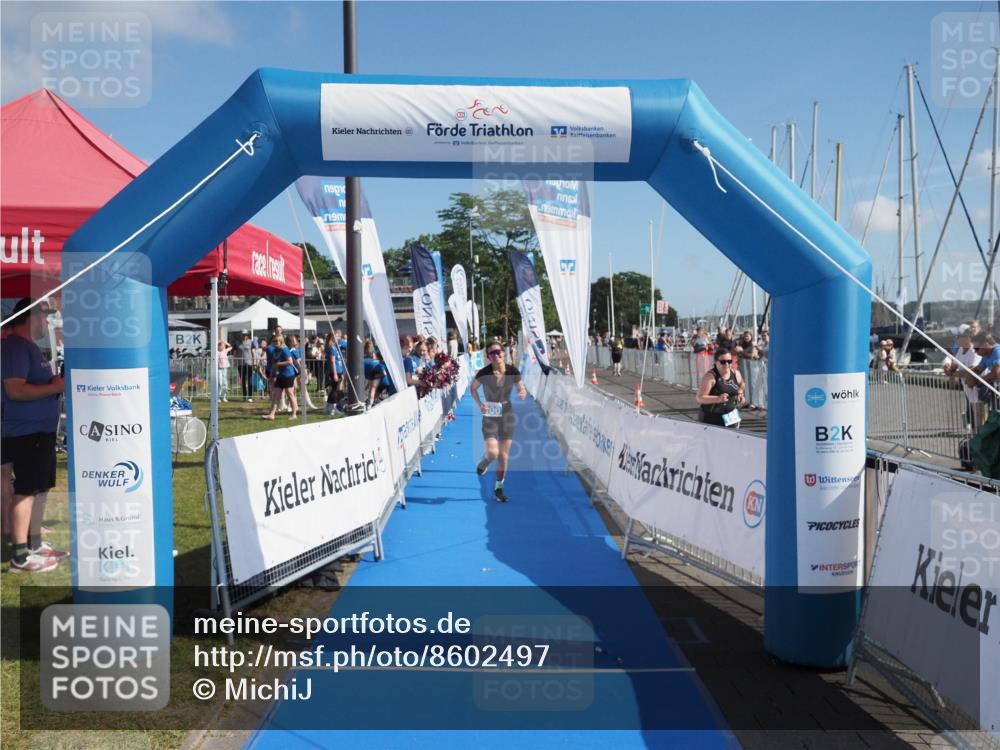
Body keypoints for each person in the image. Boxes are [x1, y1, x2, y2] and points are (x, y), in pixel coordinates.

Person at [1, 298, 67, 572]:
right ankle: (20, 557)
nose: (47, 322)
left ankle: (35, 543)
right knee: (27, 490)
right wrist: (56, 387)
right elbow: (15, 390)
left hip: (38, 431)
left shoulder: (27, 347)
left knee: (39, 488)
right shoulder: (15, 347)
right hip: (25, 432)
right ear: (30, 317)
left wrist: (52, 384)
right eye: (45, 316)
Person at [471, 341, 527, 502]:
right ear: (488, 357)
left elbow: (520, 386)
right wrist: (480, 404)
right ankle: (485, 461)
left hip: (507, 414)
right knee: (493, 453)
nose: (496, 355)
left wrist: (522, 392)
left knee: (503, 456)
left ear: (503, 352)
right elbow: (473, 388)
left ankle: (498, 489)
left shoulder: (512, 370)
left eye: (498, 352)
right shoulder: (484, 373)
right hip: (490, 415)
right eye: (492, 353)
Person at [696, 348, 746, 428]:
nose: (726, 364)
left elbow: (742, 383)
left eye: (729, 361)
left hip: (731, 415)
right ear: (715, 362)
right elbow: (700, 398)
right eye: (723, 362)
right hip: (712, 417)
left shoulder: (735, 373)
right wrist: (718, 399)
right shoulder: (710, 377)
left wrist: (740, 392)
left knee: (733, 438)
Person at [945, 331, 984, 430]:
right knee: (974, 413)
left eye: (960, 336)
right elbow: (955, 364)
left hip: (978, 387)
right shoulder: (961, 350)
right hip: (968, 387)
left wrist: (953, 374)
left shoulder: (975, 351)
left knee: (980, 414)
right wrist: (949, 367)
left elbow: (971, 370)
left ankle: (981, 436)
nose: (957, 338)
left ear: (968, 338)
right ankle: (976, 435)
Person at [262, 335, 298, 420]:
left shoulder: (284, 349)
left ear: (281, 341)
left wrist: (279, 364)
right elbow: (273, 363)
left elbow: (290, 361)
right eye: (274, 341)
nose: (276, 342)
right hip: (280, 375)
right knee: (276, 395)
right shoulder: (275, 350)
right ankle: (272, 414)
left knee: (290, 394)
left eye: (277, 341)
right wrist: (271, 375)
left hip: (288, 375)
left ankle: (294, 414)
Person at [325, 332, 344, 415]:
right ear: (332, 337)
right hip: (334, 371)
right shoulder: (331, 348)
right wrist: (335, 373)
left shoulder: (335, 347)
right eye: (336, 336)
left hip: (338, 370)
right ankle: (333, 408)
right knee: (334, 390)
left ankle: (329, 406)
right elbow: (332, 361)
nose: (338, 338)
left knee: (334, 389)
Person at [237, 332, 255, 402]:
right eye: (243, 335)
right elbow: (235, 353)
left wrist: (254, 363)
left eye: (246, 335)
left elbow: (253, 353)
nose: (244, 336)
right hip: (241, 364)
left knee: (250, 380)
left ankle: (250, 396)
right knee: (243, 381)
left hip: (249, 364)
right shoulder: (237, 342)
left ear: (247, 335)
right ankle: (244, 396)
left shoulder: (251, 342)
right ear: (241, 335)